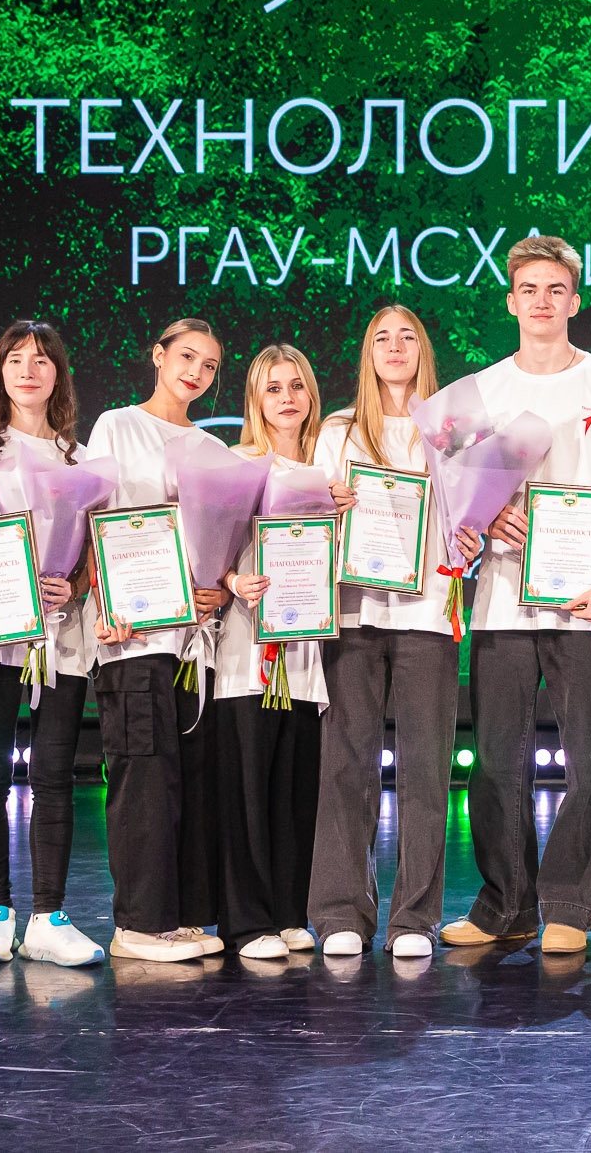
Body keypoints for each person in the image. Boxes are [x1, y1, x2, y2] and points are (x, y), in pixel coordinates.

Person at [440, 236, 591, 956]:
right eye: (528, 288)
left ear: (575, 300)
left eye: (555, 288)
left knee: (588, 760)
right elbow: (457, 507)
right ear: (510, 301)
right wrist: (484, 513)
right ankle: (506, 905)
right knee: (497, 761)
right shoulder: (478, 392)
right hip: (502, 598)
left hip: (589, 599)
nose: (542, 300)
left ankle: (568, 905)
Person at [0, 320, 105, 968]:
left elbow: (95, 549)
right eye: (15, 359)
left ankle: (49, 917)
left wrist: (74, 584)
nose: (28, 370)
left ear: (59, 374)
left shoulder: (80, 458)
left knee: (54, 774)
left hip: (62, 635)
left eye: (41, 360)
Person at [307, 306, 476, 960]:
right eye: (382, 337)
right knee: (345, 766)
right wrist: (326, 506)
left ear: (423, 349)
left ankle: (414, 918)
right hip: (352, 614)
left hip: (427, 614)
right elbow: (310, 518)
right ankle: (340, 912)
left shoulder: (453, 433)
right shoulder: (339, 430)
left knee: (426, 770)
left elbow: (471, 522)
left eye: (408, 336)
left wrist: (470, 541)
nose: (396, 346)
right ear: (367, 353)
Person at [86, 318, 234, 963]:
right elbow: (92, 519)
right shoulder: (117, 426)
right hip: (133, 635)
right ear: (158, 355)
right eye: (186, 356)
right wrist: (106, 600)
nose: (196, 372)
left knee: (188, 781)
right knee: (143, 776)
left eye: (209, 365)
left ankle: (181, 916)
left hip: (193, 643)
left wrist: (220, 587)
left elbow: (221, 540)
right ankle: (138, 925)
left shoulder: (212, 447)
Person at [208, 343, 329, 961]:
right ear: (255, 398)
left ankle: (288, 912)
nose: (287, 397)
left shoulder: (330, 467)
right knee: (247, 791)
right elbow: (210, 551)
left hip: (307, 651)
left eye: (296, 385)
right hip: (246, 649)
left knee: (294, 790)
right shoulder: (237, 464)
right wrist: (234, 581)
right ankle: (245, 922)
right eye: (273, 387)